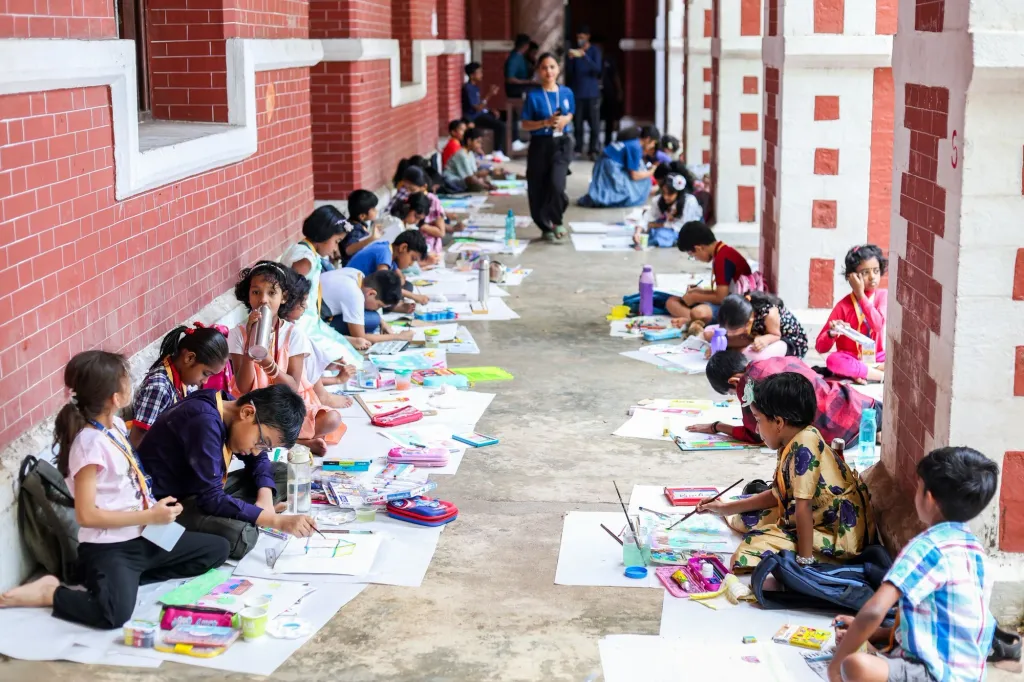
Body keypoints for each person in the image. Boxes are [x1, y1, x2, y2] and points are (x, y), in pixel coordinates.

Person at [0, 351, 230, 625]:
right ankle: (52, 592)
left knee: (218, 549)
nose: (131, 383)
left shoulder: (116, 427)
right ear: (115, 398)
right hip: (111, 546)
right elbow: (86, 516)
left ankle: (120, 579)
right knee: (112, 614)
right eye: (126, 380)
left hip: (146, 536)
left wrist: (155, 511)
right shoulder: (89, 444)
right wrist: (149, 516)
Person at [827, 446, 999, 682]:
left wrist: (835, 667)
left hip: (933, 674)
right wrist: (877, 632)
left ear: (929, 497)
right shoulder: (975, 551)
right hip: (970, 675)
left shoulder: (927, 547)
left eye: (918, 486)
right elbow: (947, 625)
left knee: (854, 665)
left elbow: (875, 610)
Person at [698, 373, 874, 571]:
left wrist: (804, 565)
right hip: (816, 517)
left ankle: (816, 560)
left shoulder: (803, 445)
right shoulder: (793, 439)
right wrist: (725, 508)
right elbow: (778, 493)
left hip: (837, 535)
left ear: (779, 423)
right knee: (743, 518)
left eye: (758, 420)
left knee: (746, 553)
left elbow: (803, 509)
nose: (756, 430)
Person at [137, 382, 316, 560]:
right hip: (170, 508)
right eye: (261, 442)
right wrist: (276, 521)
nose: (257, 450)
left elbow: (258, 459)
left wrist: (265, 497)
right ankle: (247, 515)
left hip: (203, 490)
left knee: (282, 472)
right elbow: (211, 498)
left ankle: (251, 510)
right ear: (247, 412)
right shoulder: (203, 421)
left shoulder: (228, 405)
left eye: (265, 447)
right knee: (241, 537)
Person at [229, 260, 346, 455]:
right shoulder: (237, 334)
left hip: (286, 406)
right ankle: (298, 441)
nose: (263, 300)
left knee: (332, 419)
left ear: (283, 297)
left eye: (271, 293)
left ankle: (283, 440)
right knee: (238, 424)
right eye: (256, 292)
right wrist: (251, 346)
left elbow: (292, 386)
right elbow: (242, 387)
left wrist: (269, 364)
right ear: (248, 296)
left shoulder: (293, 334)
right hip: (254, 407)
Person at [692, 350, 882, 447]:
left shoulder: (748, 386)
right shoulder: (776, 360)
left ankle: (877, 435)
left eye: (732, 393)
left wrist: (717, 426)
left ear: (734, 381)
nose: (738, 397)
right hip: (861, 404)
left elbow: (757, 434)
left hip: (839, 434)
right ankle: (878, 433)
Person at [281, 206, 366, 357]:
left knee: (346, 353)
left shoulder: (305, 251)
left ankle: (341, 341)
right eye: (336, 241)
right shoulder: (305, 260)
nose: (335, 248)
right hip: (300, 323)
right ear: (324, 236)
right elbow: (293, 296)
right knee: (347, 358)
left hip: (309, 319)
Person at [130, 323, 229, 449]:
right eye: (205, 373)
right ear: (189, 358)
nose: (205, 381)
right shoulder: (160, 388)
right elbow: (136, 441)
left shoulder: (181, 380)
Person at [816, 244, 888, 384]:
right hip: (851, 358)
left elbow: (877, 325)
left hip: (878, 357)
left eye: (876, 271)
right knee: (833, 360)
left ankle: (862, 372)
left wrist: (861, 296)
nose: (872, 277)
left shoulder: (882, 296)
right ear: (852, 277)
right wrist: (832, 333)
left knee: (903, 357)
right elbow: (820, 347)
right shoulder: (843, 306)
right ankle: (881, 375)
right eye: (865, 272)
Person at [522, 53, 575, 243]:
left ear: (558, 69)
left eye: (552, 67)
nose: (549, 71)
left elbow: (571, 114)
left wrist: (565, 119)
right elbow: (525, 124)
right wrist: (545, 122)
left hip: (561, 144)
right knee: (537, 187)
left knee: (556, 184)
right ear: (538, 71)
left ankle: (557, 220)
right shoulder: (533, 96)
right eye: (544, 68)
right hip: (540, 144)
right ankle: (544, 225)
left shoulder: (567, 92)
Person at [279, 274, 354, 401]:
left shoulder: (291, 327)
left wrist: (325, 365)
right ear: (287, 301)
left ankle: (322, 393)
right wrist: (337, 379)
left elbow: (302, 374)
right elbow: (299, 380)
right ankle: (322, 395)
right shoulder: (293, 334)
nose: (306, 307)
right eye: (302, 302)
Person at [667, 221, 752, 326]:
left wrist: (696, 297)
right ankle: (693, 320)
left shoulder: (722, 259)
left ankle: (691, 321)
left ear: (699, 248)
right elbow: (725, 291)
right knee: (671, 301)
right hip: (730, 300)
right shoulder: (722, 251)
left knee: (698, 312)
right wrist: (701, 292)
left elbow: (721, 298)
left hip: (736, 309)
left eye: (692, 255)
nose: (695, 258)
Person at [321, 267, 410, 343]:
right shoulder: (355, 294)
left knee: (376, 317)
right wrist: (398, 337)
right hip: (317, 319)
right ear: (371, 293)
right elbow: (360, 337)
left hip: (322, 308)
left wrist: (383, 322)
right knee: (372, 319)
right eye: (379, 306)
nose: (377, 308)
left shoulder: (358, 274)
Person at [578, 125, 660, 208]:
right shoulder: (636, 147)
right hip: (609, 168)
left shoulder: (633, 141)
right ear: (648, 139)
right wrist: (651, 172)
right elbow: (634, 176)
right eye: (653, 143)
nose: (653, 146)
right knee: (637, 189)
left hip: (604, 164)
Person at [716, 292, 809, 358]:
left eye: (733, 330)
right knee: (710, 334)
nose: (729, 333)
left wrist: (765, 339)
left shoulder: (769, 314)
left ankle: (736, 348)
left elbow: (777, 336)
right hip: (758, 334)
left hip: (787, 341)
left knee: (753, 355)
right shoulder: (741, 308)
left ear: (748, 324)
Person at [388, 164, 446, 264]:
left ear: (424, 187)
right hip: (412, 254)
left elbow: (441, 232)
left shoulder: (433, 201)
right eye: (406, 188)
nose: (408, 192)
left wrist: (421, 226)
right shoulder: (405, 199)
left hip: (429, 250)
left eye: (412, 189)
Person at [632, 169, 703, 248]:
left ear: (678, 192)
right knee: (650, 232)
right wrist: (638, 232)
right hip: (668, 225)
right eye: (664, 193)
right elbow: (648, 216)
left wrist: (657, 225)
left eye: (670, 194)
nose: (666, 197)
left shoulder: (689, 201)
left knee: (662, 235)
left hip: (686, 229)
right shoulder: (659, 200)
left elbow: (683, 225)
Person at [566, 25, 602, 159]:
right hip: (577, 93)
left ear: (588, 37)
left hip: (592, 93)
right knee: (578, 123)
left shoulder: (594, 51)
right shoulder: (575, 52)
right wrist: (570, 60)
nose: (579, 40)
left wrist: (584, 56)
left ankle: (593, 149)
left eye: (582, 37)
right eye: (578, 37)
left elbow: (597, 70)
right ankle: (578, 148)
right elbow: (570, 73)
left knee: (594, 124)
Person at [462, 64, 506, 154]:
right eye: (479, 72)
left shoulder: (475, 87)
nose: (481, 74)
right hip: (474, 117)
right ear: (472, 75)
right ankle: (497, 151)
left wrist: (490, 110)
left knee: (504, 115)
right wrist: (489, 94)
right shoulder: (468, 88)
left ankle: (506, 147)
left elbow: (480, 104)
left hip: (481, 113)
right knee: (500, 125)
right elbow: (477, 108)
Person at [504, 34, 535, 147]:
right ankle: (514, 140)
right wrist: (527, 82)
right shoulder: (514, 58)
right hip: (515, 90)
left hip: (523, 87)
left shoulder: (521, 57)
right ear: (526, 46)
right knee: (514, 115)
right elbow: (510, 78)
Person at [340, 189, 382, 267]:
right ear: (362, 216)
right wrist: (372, 238)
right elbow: (349, 250)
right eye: (373, 209)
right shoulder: (353, 229)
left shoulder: (360, 224)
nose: (376, 211)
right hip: (353, 268)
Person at [445, 128, 495, 192]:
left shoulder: (470, 153)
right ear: (469, 141)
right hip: (452, 181)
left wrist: (484, 178)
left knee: (481, 179)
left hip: (462, 179)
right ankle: (486, 187)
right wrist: (485, 184)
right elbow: (469, 176)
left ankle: (486, 186)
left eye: (480, 143)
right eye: (477, 142)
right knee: (473, 179)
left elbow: (474, 172)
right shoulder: (461, 155)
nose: (480, 146)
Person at [594, 36, 623, 144]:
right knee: (595, 118)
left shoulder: (609, 59)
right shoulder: (590, 60)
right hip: (594, 92)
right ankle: (595, 143)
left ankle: (608, 140)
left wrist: (619, 90)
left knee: (609, 118)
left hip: (608, 92)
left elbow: (615, 76)